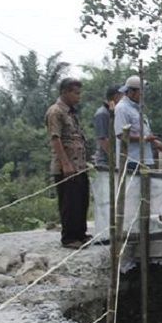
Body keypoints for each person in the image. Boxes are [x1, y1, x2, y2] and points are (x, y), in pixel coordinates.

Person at [46, 78, 90, 249]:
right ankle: (69, 238)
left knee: (81, 200)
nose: (78, 97)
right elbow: (55, 139)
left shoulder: (71, 113)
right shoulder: (55, 112)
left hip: (79, 165)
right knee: (69, 203)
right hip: (66, 166)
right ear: (65, 92)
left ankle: (80, 234)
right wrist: (65, 163)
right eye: (75, 93)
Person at [114, 75, 162, 171]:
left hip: (144, 158)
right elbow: (121, 135)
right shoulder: (122, 108)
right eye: (141, 92)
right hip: (132, 160)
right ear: (131, 92)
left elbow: (142, 131)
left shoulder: (137, 108)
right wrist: (145, 139)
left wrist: (154, 142)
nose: (143, 95)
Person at [93, 84, 123, 167]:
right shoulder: (102, 114)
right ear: (116, 96)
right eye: (123, 96)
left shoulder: (113, 112)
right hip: (105, 162)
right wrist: (114, 158)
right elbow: (103, 139)